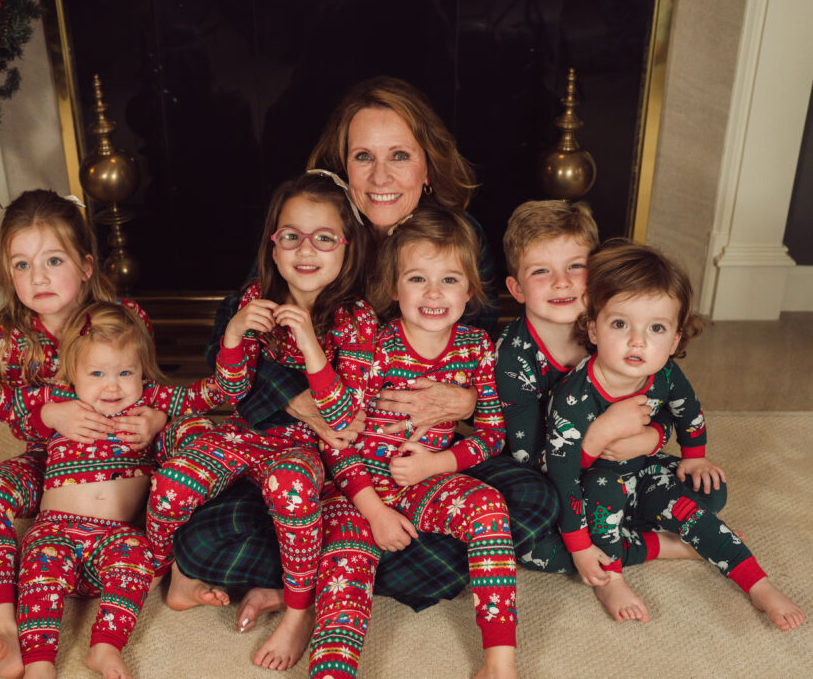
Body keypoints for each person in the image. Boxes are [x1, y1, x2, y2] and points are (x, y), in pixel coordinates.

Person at [175, 76, 556, 631]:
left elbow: (482, 347)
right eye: (363, 157)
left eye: (399, 156)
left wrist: (468, 400)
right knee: (203, 537)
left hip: (424, 463)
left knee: (534, 501)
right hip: (330, 459)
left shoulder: (458, 236)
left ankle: (307, 575)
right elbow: (229, 336)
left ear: (427, 166)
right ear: (342, 167)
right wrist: (294, 399)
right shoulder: (316, 229)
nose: (381, 177)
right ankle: (336, 565)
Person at [146, 171, 378, 670]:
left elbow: (343, 419)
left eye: (323, 238)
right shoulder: (257, 301)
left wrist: (313, 351)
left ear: (347, 248)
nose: (305, 250)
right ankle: (166, 573)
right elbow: (230, 390)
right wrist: (233, 334)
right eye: (290, 236)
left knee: (291, 487)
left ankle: (297, 611)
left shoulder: (354, 318)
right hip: (248, 436)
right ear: (274, 249)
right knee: (170, 481)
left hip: (306, 451)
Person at [0, 190, 180, 679]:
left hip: (122, 458)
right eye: (21, 265)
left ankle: (141, 579)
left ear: (84, 266)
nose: (36, 277)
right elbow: (13, 415)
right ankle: (6, 632)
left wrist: (157, 420)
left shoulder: (125, 319)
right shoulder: (10, 338)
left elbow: (156, 388)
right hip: (50, 460)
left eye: (52, 260)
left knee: (183, 473)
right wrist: (49, 414)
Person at [542, 239, 805, 630]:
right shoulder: (575, 396)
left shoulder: (664, 374)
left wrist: (694, 455)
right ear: (593, 329)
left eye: (657, 328)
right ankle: (612, 576)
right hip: (592, 486)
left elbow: (689, 411)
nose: (638, 340)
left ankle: (759, 584)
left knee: (702, 500)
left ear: (675, 340)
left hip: (645, 469)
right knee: (602, 494)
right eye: (620, 324)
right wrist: (581, 548)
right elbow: (562, 477)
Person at [305, 207, 516, 678]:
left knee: (490, 506)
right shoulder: (375, 345)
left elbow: (492, 436)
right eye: (417, 279)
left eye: (450, 279)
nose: (434, 293)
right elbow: (337, 440)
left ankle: (499, 662)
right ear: (393, 288)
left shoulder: (476, 347)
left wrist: (439, 464)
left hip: (425, 481)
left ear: (470, 289)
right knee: (346, 573)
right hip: (356, 493)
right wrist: (375, 512)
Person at [0, 302, 214, 678]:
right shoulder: (60, 399)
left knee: (137, 556)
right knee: (38, 578)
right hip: (55, 531)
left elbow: (203, 396)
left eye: (125, 372)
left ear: (142, 371)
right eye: (96, 373)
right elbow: (9, 407)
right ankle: (38, 663)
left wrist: (162, 417)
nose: (112, 385)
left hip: (116, 540)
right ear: (72, 375)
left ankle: (105, 647)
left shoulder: (148, 402)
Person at [495, 201, 726, 576]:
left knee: (709, 493)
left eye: (576, 266)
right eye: (541, 271)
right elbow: (530, 457)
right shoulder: (511, 357)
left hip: (623, 467)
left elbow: (665, 399)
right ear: (516, 289)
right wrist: (598, 436)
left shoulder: (615, 329)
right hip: (555, 480)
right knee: (531, 543)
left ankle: (616, 525)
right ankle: (654, 545)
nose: (562, 282)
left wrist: (652, 437)